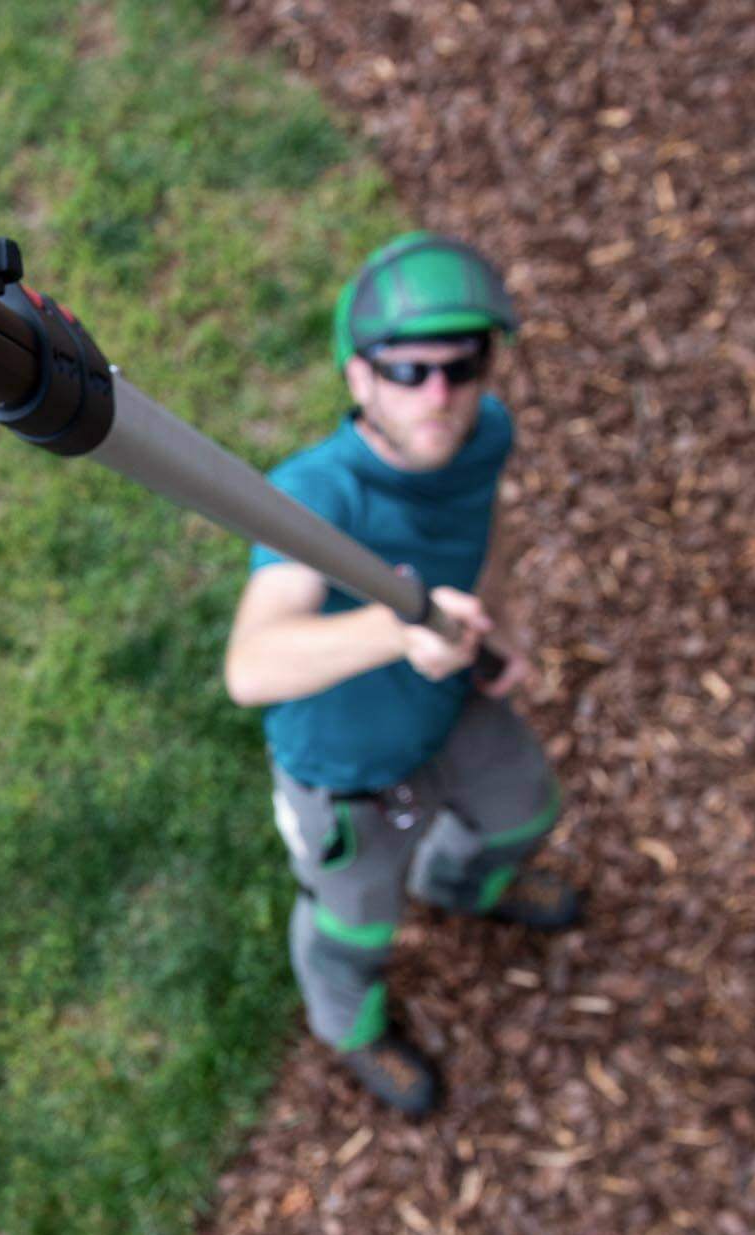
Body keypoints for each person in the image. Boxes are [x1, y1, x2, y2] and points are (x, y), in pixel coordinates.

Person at [223, 232, 581, 1115]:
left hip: (448, 702)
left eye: (462, 367)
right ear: (357, 377)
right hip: (346, 774)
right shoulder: (314, 498)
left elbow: (476, 535)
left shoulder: (482, 435)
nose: (439, 395)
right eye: (406, 371)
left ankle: (456, 886)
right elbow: (251, 666)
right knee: (354, 930)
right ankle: (350, 1029)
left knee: (525, 811)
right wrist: (396, 630)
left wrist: (499, 617)